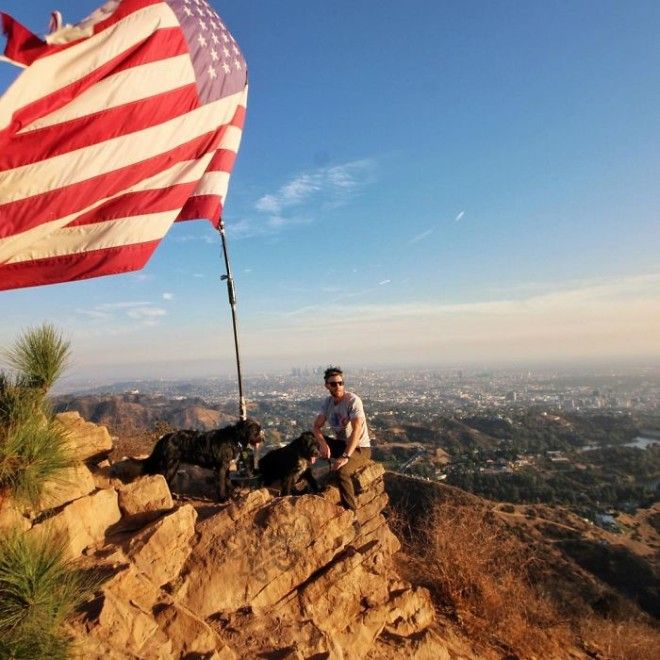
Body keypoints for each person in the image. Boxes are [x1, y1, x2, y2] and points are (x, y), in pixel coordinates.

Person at [313, 366, 372, 511]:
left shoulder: (353, 400)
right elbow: (316, 427)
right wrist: (323, 443)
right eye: (333, 383)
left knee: (342, 471)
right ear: (327, 385)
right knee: (309, 439)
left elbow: (357, 430)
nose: (338, 386)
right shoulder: (328, 403)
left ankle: (352, 512)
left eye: (341, 383)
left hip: (359, 448)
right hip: (341, 444)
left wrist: (346, 456)